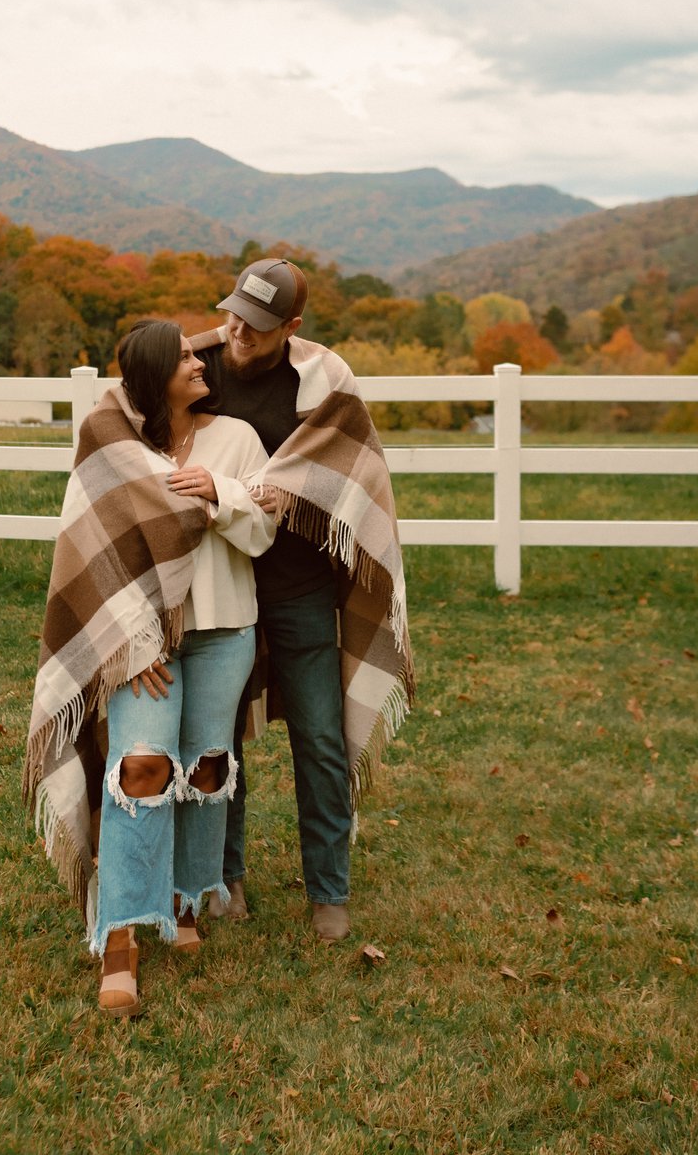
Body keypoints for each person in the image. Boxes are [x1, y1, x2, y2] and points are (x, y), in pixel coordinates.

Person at [23, 319, 275, 1017]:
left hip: (226, 632)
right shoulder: (118, 442)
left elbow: (263, 530)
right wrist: (132, 644)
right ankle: (120, 939)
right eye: (187, 355)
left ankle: (184, 899)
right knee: (140, 767)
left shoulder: (237, 440)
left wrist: (217, 493)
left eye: (200, 352)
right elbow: (96, 549)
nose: (203, 360)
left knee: (206, 769)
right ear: (155, 373)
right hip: (144, 646)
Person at [191, 257, 415, 942]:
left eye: (257, 325)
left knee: (319, 738)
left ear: (291, 326)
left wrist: (273, 490)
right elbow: (141, 406)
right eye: (232, 314)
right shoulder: (198, 362)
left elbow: (348, 466)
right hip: (223, 578)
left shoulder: (322, 382)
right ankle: (226, 876)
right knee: (217, 734)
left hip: (300, 584)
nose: (238, 331)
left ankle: (329, 888)